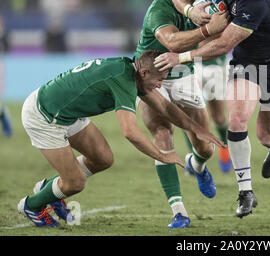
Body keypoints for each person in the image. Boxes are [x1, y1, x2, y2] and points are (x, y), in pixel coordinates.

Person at [154, 0, 270, 218]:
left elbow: (224, 43)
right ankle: (246, 192)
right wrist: (190, 11)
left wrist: (181, 56)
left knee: (266, 135)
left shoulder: (255, 1)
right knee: (236, 119)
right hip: (246, 65)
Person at [18, 50, 223, 228]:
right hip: (44, 116)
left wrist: (197, 129)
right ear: (144, 73)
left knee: (103, 159)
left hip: (67, 113)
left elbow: (165, 107)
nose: (161, 84)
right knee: (76, 182)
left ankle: (52, 190)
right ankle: (32, 205)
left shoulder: (131, 73)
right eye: (159, 79)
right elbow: (130, 132)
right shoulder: (124, 80)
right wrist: (162, 155)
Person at [134, 0, 229, 228]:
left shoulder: (205, 3)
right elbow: (171, 41)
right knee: (162, 136)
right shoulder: (158, 10)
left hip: (185, 77)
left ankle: (196, 165)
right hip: (151, 81)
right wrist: (208, 29)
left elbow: (214, 41)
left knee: (205, 147)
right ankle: (179, 212)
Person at [185, 53, 232, 173]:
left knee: (219, 118)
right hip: (190, 62)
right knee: (187, 112)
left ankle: (224, 145)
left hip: (215, 63)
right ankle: (195, 157)